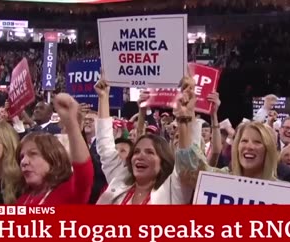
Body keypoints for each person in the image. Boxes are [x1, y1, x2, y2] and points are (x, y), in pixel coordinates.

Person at [94, 70, 200, 204]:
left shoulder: (174, 189)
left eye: (150, 152)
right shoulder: (120, 178)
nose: (140, 156)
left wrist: (187, 114)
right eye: (136, 151)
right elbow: (105, 147)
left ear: (162, 162)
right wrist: (103, 97)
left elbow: (189, 163)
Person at [16, 93, 94, 205]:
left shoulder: (69, 191)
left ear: (53, 158)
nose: (23, 162)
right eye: (21, 157)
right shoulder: (22, 200)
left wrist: (71, 122)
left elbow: (84, 171)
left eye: (33, 154)